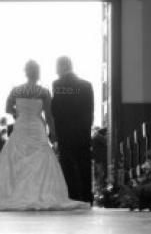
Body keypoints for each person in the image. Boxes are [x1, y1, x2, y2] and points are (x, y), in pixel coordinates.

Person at [0, 60, 89, 211]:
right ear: (38, 72)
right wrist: (53, 135)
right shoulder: (43, 92)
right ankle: (38, 192)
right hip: (36, 127)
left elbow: (7, 108)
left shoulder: (16, 90)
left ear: (26, 72)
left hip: (21, 125)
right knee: (41, 157)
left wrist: (18, 114)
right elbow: (48, 116)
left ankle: (14, 193)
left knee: (15, 159)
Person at [51, 56, 94, 204]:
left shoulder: (58, 84)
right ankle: (87, 197)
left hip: (65, 133)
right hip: (83, 133)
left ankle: (72, 197)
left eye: (57, 66)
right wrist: (86, 131)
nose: (56, 71)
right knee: (84, 164)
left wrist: (56, 133)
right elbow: (90, 112)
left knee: (68, 165)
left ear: (62, 66)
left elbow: (56, 110)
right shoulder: (86, 85)